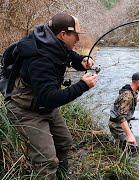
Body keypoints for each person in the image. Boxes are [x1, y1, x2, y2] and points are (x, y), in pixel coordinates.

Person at [5, 13, 98, 179]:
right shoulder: (40, 59)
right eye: (75, 35)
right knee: (47, 161)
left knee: (64, 143)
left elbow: (67, 55)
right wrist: (82, 86)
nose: (78, 39)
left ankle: (62, 176)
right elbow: (49, 98)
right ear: (63, 34)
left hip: (43, 104)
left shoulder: (50, 40)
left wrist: (82, 60)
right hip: (25, 110)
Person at [109, 72, 139, 152]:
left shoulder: (130, 91)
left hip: (121, 124)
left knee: (126, 146)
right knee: (134, 150)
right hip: (117, 126)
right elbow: (120, 116)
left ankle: (118, 145)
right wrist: (129, 135)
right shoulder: (127, 96)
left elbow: (133, 99)